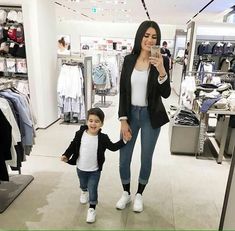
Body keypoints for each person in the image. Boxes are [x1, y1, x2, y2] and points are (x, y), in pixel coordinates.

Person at [116, 20, 171, 213]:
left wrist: (162, 70)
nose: (149, 40)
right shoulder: (129, 60)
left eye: (154, 37)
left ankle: (139, 193)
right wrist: (123, 119)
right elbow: (123, 91)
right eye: (146, 35)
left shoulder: (160, 61)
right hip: (130, 114)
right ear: (140, 36)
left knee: (146, 157)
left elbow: (166, 93)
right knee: (124, 157)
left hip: (151, 116)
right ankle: (125, 193)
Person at [61, 107, 130, 223]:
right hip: (80, 168)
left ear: (102, 124)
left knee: (93, 189)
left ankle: (92, 208)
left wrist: (124, 141)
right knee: (83, 184)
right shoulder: (80, 134)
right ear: (87, 121)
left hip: (95, 171)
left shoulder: (103, 138)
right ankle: (83, 191)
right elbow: (73, 145)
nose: (93, 124)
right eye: (91, 120)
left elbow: (112, 147)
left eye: (97, 121)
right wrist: (66, 155)